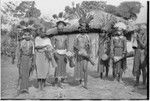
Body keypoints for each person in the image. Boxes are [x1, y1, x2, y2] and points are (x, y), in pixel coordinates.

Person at [73, 19, 93, 89]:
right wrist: (79, 50)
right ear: (80, 28)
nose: (83, 28)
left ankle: (86, 83)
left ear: (86, 28)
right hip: (79, 54)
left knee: (85, 68)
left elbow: (90, 46)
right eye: (82, 26)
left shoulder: (88, 36)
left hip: (85, 55)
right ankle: (80, 81)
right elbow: (74, 45)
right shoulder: (77, 36)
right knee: (80, 68)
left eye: (84, 27)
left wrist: (89, 53)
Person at [52, 20, 69, 87]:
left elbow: (67, 45)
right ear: (57, 28)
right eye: (59, 28)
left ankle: (59, 79)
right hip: (57, 52)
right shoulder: (55, 36)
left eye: (62, 28)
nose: (60, 29)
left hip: (64, 53)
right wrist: (54, 52)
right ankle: (59, 81)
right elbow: (52, 45)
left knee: (63, 66)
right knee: (58, 66)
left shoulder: (66, 36)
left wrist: (67, 53)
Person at [17, 29, 34, 94]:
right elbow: (19, 52)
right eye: (26, 35)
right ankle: (21, 88)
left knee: (27, 73)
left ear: (30, 36)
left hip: (29, 59)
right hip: (23, 58)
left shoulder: (32, 42)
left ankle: (26, 88)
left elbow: (33, 53)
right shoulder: (21, 42)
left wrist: (33, 61)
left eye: (28, 35)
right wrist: (18, 61)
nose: (27, 36)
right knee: (22, 73)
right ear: (24, 35)